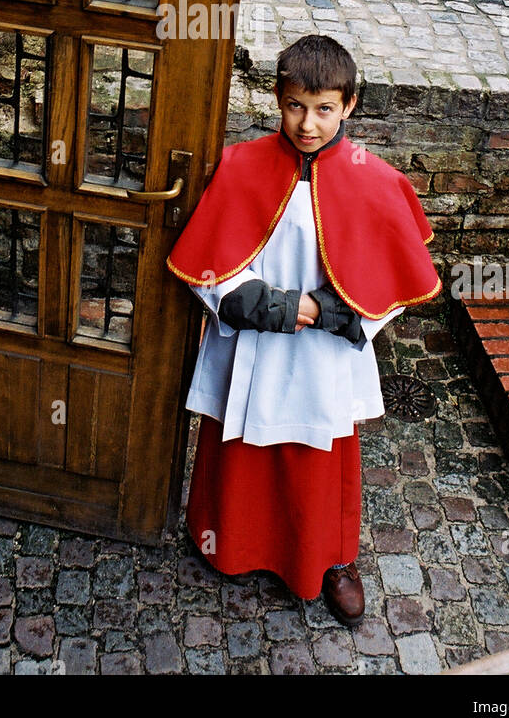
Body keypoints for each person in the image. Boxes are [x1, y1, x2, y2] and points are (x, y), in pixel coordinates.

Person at [166, 34, 441, 625]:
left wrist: (325, 311)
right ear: (277, 98)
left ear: (350, 104)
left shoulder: (377, 182)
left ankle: (329, 561)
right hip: (253, 345)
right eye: (295, 105)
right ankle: (231, 544)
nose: (308, 124)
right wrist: (277, 308)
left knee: (320, 454)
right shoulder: (241, 165)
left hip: (324, 357)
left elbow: (393, 282)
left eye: (323, 108)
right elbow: (208, 267)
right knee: (240, 446)